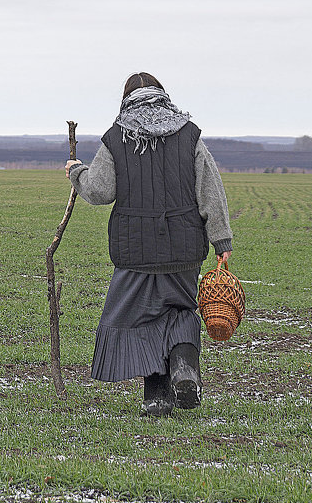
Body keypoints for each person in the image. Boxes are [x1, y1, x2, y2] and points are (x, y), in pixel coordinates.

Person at [65, 72, 233, 417]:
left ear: (127, 98)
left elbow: (99, 191)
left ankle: (156, 400)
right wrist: (221, 239)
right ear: (162, 95)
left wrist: (76, 172)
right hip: (184, 246)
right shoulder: (189, 134)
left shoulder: (117, 137)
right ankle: (185, 369)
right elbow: (210, 190)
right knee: (182, 311)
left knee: (142, 321)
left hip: (135, 250)